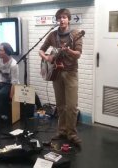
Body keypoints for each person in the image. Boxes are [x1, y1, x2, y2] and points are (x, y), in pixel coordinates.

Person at [39, 8, 83, 146]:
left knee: (71, 106)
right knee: (60, 105)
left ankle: (72, 133)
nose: (62, 20)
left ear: (68, 19)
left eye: (64, 17)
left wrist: (68, 50)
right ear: (57, 20)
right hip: (56, 73)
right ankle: (62, 130)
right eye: (59, 18)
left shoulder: (76, 34)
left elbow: (78, 54)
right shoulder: (52, 35)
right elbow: (41, 49)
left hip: (71, 73)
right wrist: (47, 57)